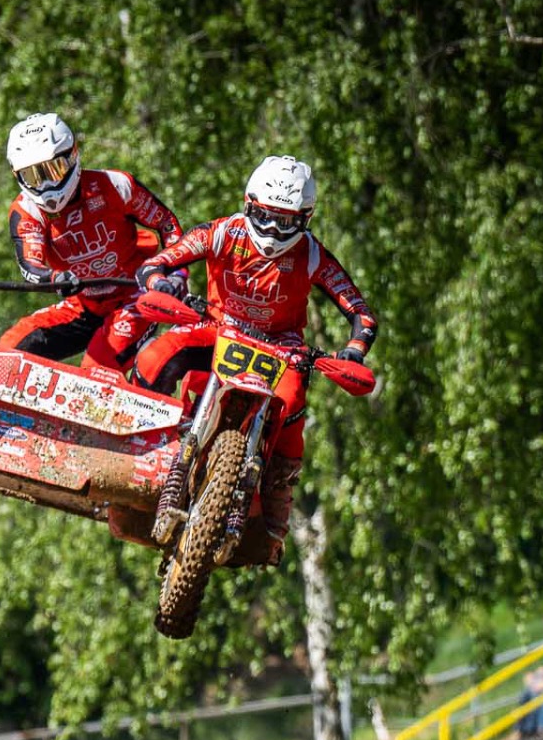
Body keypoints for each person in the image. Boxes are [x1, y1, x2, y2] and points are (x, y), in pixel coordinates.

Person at [132, 155, 380, 564]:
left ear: (305, 219)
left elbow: (361, 313)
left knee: (294, 401)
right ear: (248, 204)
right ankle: (136, 442)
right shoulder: (221, 233)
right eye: (264, 217)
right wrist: (163, 283)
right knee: (156, 357)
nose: (272, 231)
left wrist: (353, 349)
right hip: (219, 327)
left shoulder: (311, 254)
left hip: (282, 349)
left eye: (285, 222)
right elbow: (156, 263)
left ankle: (275, 505)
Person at [0, 112, 184, 371]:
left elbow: (166, 222)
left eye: (53, 170)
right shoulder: (27, 211)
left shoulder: (115, 185)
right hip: (83, 304)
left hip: (136, 295)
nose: (46, 185)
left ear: (72, 156)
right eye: (33, 177)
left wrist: (176, 273)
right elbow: (30, 265)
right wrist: (55, 278)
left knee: (94, 373)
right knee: (5, 352)